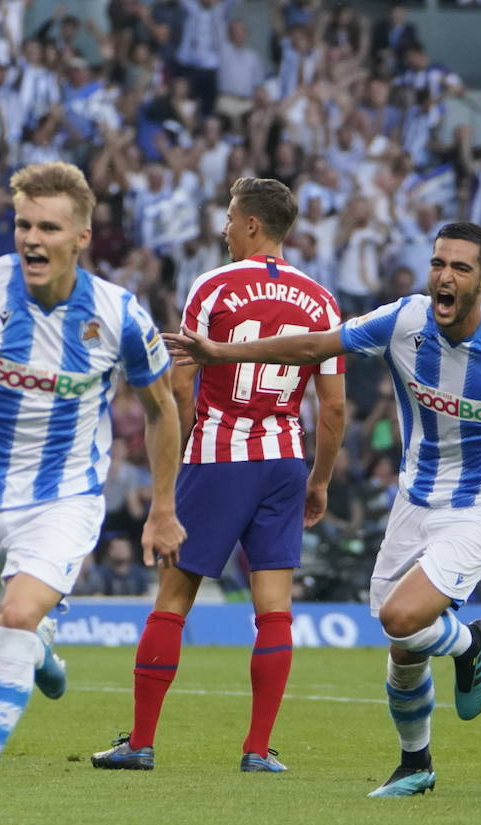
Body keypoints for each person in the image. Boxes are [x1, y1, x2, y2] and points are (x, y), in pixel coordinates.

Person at [166, 222, 481, 797]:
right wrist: (222, 351)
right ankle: (415, 763)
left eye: (461, 268)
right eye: (439, 264)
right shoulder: (405, 319)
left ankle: (471, 644)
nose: (445, 277)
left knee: (403, 618)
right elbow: (313, 345)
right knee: (399, 644)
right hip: (414, 500)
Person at [0, 161, 186, 825]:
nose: (31, 237)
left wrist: (163, 506)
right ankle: (44, 654)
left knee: (16, 619)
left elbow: (162, 407)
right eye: (23, 223)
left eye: (47, 227)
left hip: (65, 497)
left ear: (81, 236)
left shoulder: (117, 314)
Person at [92, 176, 345, 774]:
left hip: (218, 455)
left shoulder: (212, 287)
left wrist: (171, 472)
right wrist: (319, 479)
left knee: (174, 599)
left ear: (252, 225)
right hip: (284, 459)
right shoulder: (324, 301)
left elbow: (181, 383)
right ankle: (257, 749)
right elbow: (332, 407)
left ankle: (143, 742)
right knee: (274, 609)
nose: (224, 230)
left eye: (231, 219)